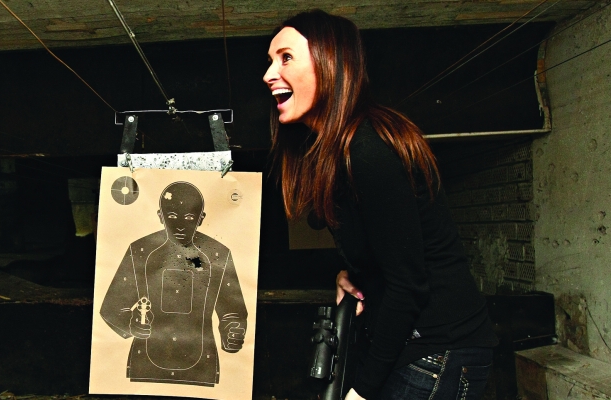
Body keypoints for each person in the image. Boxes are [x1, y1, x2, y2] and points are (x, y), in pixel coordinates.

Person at [262, 10, 498, 400]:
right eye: (270, 61)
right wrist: (352, 274)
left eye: (285, 58)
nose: (269, 74)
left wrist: (363, 391)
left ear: (331, 64)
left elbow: (409, 284)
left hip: (437, 352)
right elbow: (388, 253)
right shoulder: (338, 152)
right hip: (414, 348)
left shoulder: (368, 149)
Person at [99, 181, 247, 387]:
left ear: (201, 218)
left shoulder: (217, 254)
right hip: (146, 366)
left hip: (201, 365)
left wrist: (232, 333)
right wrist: (131, 325)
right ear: (161, 216)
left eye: (189, 217)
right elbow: (112, 307)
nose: (180, 225)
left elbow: (232, 310)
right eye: (172, 216)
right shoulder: (140, 250)